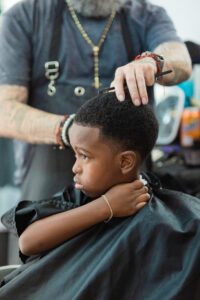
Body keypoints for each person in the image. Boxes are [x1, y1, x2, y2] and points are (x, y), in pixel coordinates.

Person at [1, 90, 200, 300]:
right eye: (75, 155)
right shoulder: (80, 198)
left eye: (84, 156)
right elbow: (28, 242)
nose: (75, 168)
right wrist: (105, 206)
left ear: (125, 162)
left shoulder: (171, 225)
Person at [0, 0, 192, 201]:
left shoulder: (147, 15)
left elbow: (182, 61)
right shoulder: (25, 17)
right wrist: (69, 129)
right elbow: (4, 112)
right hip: (48, 176)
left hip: (127, 184)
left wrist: (154, 62)